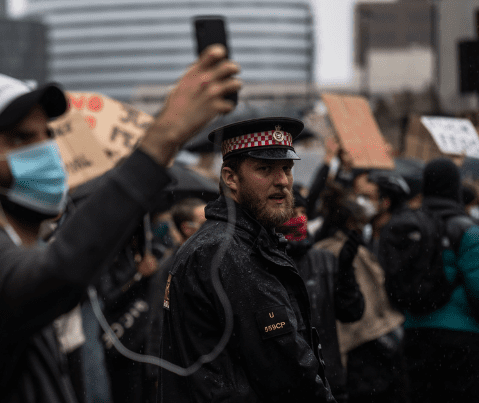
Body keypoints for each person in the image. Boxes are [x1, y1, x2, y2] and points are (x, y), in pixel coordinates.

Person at [0, 45, 240, 401]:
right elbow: (59, 271)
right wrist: (160, 141)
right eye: (21, 139)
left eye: (47, 135)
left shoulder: (5, 249)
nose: (46, 150)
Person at [160, 117, 335, 402]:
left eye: (287, 168)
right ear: (230, 178)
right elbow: (287, 373)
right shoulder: (228, 251)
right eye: (264, 169)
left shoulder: (231, 243)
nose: (282, 181)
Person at [402, 158, 479, 403]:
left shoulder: (408, 228)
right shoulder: (469, 231)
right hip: (463, 337)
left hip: (416, 331)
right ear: (456, 187)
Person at [313, 184, 406, 403]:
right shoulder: (348, 252)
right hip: (367, 347)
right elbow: (375, 299)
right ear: (350, 222)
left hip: (349, 350)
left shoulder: (320, 251)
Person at [281, 192, 365, 403]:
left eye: (303, 212)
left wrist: (346, 272)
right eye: (292, 212)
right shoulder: (271, 264)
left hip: (330, 377)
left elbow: (351, 312)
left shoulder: (324, 259)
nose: (300, 218)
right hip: (289, 384)